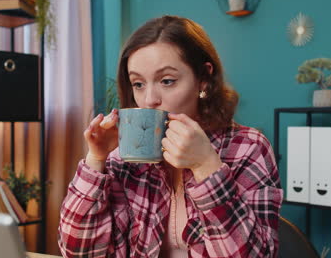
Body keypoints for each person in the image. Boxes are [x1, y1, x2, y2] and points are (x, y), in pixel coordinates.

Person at [58, 15, 283, 258]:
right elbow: (78, 252)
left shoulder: (248, 148)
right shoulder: (125, 158)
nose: (149, 99)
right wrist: (96, 159)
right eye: (138, 84)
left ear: (204, 80)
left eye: (167, 81)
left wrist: (206, 166)